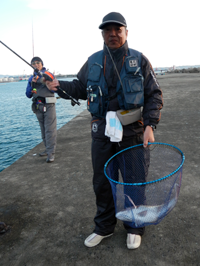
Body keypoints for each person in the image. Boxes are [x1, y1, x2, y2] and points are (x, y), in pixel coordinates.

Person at [45, 12, 163, 249]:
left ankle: (134, 225)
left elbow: (154, 95)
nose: (112, 34)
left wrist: (150, 125)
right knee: (102, 180)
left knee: (134, 179)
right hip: (102, 132)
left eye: (117, 30)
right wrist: (59, 86)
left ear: (126, 33)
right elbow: (79, 87)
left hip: (133, 131)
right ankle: (104, 226)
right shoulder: (93, 60)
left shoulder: (139, 59)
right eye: (107, 30)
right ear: (102, 34)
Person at [26, 57, 57, 163]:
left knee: (50, 129)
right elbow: (28, 94)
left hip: (49, 105)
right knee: (43, 129)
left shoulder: (47, 73)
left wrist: (39, 77)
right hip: (38, 106)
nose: (36, 64)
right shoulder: (31, 78)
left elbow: (50, 79)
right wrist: (32, 84)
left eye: (38, 62)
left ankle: (51, 153)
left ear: (42, 64)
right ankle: (47, 149)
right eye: (33, 63)